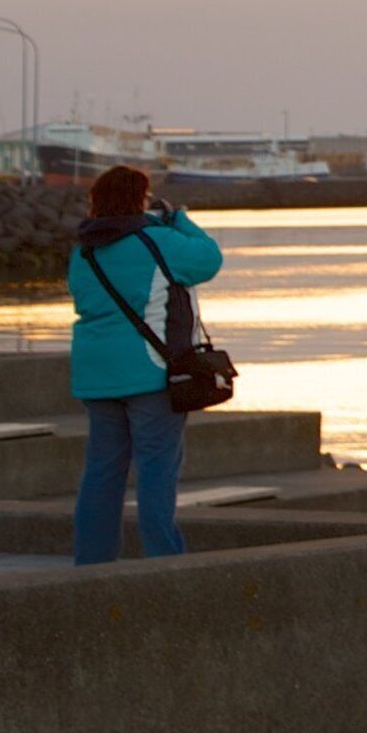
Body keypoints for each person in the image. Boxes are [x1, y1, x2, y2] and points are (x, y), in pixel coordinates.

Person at [64, 165, 224, 565]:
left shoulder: (83, 251)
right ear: (141, 199)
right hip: (149, 372)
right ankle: (164, 563)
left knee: (102, 471)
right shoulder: (158, 241)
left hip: (96, 375)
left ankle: (92, 563)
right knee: (156, 470)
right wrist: (179, 217)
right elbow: (209, 259)